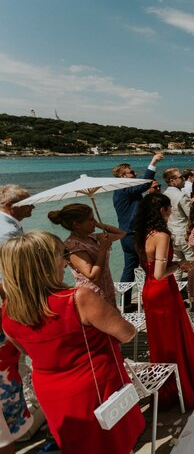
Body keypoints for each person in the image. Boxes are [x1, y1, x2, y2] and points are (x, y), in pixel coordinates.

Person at [0, 231, 144, 453]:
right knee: (116, 444)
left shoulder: (8, 311)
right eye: (62, 254)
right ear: (46, 263)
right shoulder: (78, 299)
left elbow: (24, 350)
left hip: (51, 392)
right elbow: (127, 333)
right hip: (96, 385)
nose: (66, 261)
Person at [133, 193, 194, 409]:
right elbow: (159, 273)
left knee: (160, 340)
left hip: (148, 290)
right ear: (162, 211)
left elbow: (150, 269)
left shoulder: (142, 234)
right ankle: (183, 386)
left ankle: (167, 388)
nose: (172, 212)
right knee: (175, 337)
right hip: (162, 290)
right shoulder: (162, 235)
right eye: (169, 208)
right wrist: (180, 265)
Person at [0, 184, 34, 454]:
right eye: (29, 202)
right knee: (12, 364)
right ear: (13, 205)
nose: (34, 205)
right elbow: (10, 278)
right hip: (8, 308)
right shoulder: (8, 230)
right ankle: (16, 428)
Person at [48, 203, 126, 307]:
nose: (94, 222)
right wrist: (102, 248)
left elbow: (121, 233)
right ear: (76, 224)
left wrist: (98, 224)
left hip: (107, 291)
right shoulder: (73, 246)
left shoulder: (92, 238)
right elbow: (92, 276)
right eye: (90, 219)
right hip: (92, 296)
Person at [112, 153, 163, 310]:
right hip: (134, 235)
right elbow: (145, 183)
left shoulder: (121, 191)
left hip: (126, 235)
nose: (135, 174)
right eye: (132, 172)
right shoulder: (124, 188)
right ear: (123, 175)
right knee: (151, 266)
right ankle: (154, 299)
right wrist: (153, 162)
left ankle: (125, 303)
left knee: (129, 269)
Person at [162, 167, 194, 281]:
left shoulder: (164, 195)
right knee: (192, 265)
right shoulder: (182, 196)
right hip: (183, 234)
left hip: (171, 234)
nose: (184, 179)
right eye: (181, 177)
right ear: (172, 181)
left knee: (176, 267)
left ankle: (176, 293)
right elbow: (191, 216)